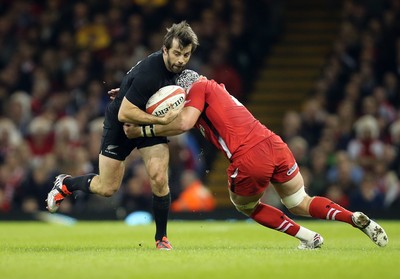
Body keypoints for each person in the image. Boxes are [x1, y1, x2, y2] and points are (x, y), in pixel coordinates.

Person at [123, 70, 389, 249]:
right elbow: (179, 120)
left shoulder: (199, 88)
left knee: (245, 206)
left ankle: (307, 237)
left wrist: (143, 129)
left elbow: (182, 123)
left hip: (249, 155)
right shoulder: (216, 90)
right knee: (299, 201)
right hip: (274, 143)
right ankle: (351, 217)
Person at [46, 21, 199, 250]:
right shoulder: (150, 71)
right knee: (107, 188)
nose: (181, 60)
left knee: (159, 177)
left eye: (186, 55)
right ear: (165, 49)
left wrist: (133, 94)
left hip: (145, 121)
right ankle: (66, 183)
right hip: (121, 122)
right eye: (176, 53)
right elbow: (125, 111)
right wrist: (160, 120)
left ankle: (161, 238)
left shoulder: (180, 71)